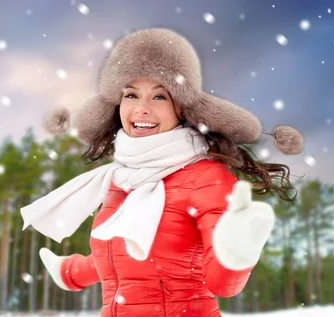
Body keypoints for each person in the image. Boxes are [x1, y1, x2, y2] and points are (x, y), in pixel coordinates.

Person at [21, 28, 303, 317]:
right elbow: (126, 255)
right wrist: (72, 272)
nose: (141, 109)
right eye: (131, 95)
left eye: (159, 97)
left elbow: (221, 284)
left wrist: (237, 252)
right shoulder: (121, 180)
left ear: (181, 109)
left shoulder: (207, 179)